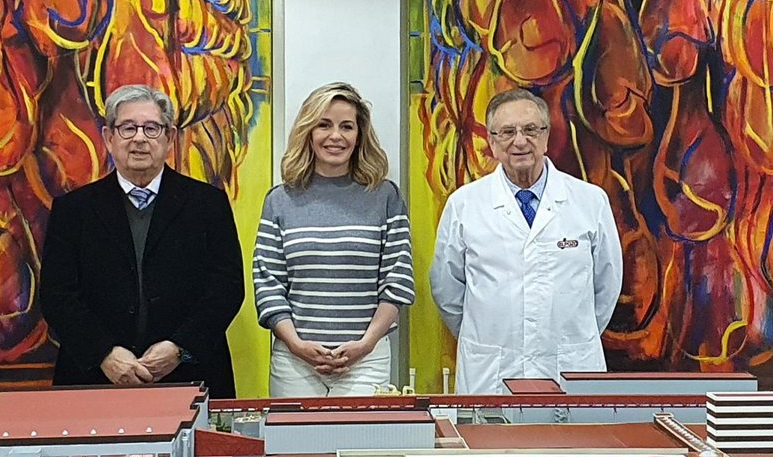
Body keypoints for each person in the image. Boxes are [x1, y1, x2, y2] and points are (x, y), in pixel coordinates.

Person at [39, 84, 244, 396]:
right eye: (128, 128)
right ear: (109, 137)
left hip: (191, 375)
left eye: (151, 128)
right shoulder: (73, 210)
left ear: (169, 138)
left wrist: (179, 348)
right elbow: (57, 295)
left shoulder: (208, 204)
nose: (139, 138)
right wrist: (104, 354)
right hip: (95, 379)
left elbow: (227, 288)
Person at [429, 88, 623, 394]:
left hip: (569, 365)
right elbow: (447, 290)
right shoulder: (464, 205)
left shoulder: (589, 201)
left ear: (546, 137)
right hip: (491, 370)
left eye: (531, 130)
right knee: (491, 427)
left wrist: (564, 334)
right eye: (507, 132)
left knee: (571, 427)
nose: (520, 141)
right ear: (492, 142)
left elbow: (607, 287)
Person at [253, 82, 415, 397]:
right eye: (324, 125)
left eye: (346, 126)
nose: (335, 136)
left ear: (360, 135)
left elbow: (397, 282)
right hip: (294, 362)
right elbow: (268, 284)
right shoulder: (279, 200)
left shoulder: (385, 197)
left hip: (366, 359)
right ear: (308, 131)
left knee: (360, 433)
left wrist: (365, 344)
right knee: (296, 434)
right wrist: (297, 345)